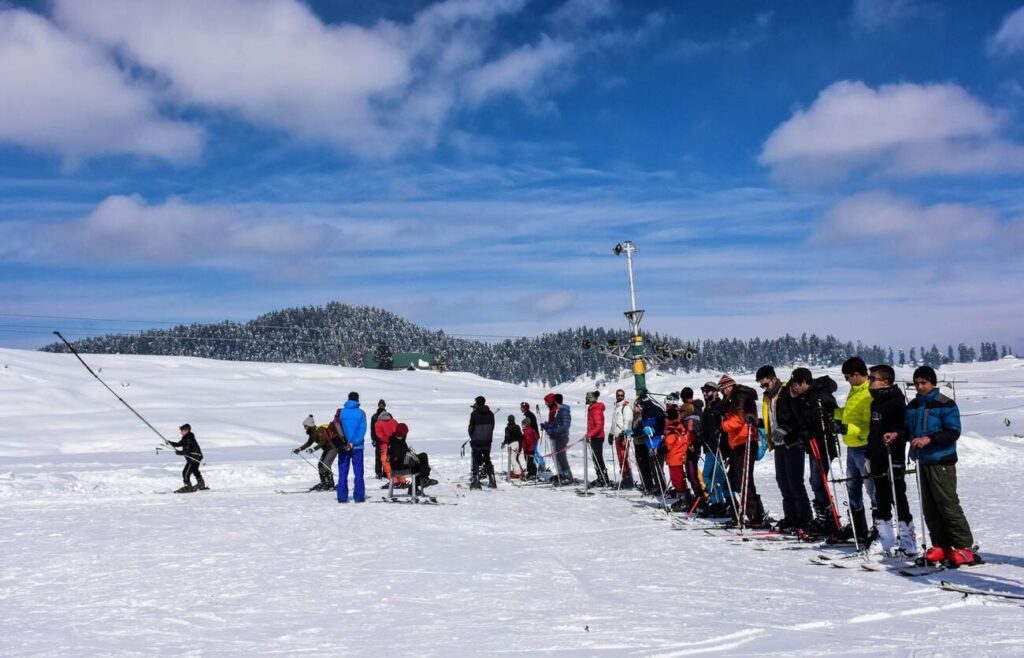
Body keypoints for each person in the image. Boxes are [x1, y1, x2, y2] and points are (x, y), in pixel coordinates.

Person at [906, 366, 979, 567]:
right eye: (917, 383)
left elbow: (953, 431)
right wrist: (897, 434)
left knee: (947, 505)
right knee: (929, 508)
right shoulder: (913, 405)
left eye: (924, 383)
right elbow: (907, 430)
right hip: (923, 460)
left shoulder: (945, 404)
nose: (920, 387)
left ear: (933, 383)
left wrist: (930, 439)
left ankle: (964, 547)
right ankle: (941, 545)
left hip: (941, 461)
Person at [865, 365, 916, 556]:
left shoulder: (896, 402)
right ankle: (886, 538)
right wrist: (869, 454)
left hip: (892, 455)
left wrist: (896, 435)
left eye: (872, 379)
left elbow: (905, 430)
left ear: (885, 381)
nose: (869, 382)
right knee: (881, 496)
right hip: (877, 455)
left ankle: (908, 540)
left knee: (898, 495)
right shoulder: (875, 402)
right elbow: (873, 431)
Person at [829, 357, 876, 545]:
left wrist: (847, 428)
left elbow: (867, 426)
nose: (847, 380)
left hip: (864, 447)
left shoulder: (868, 393)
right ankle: (858, 527)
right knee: (852, 487)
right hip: (851, 446)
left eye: (848, 377)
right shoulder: (854, 391)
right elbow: (850, 415)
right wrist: (833, 413)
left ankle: (880, 528)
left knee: (872, 488)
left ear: (857, 374)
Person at [720, 374, 766, 527]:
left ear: (728, 387)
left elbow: (738, 420)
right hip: (740, 441)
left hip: (744, 440)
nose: (722, 394)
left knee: (743, 479)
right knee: (742, 479)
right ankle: (753, 513)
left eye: (722, 390)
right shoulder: (737, 397)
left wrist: (722, 425)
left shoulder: (739, 396)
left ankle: (753, 515)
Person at [772, 369, 812, 533]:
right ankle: (791, 515)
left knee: (794, 481)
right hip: (779, 442)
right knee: (782, 481)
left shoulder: (794, 396)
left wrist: (786, 430)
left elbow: (799, 419)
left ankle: (804, 516)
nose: (793, 388)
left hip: (794, 443)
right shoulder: (776, 396)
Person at [699, 382, 729, 516]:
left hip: (718, 448)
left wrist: (718, 435)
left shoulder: (719, 405)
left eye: (708, 391)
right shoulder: (708, 407)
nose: (705, 393)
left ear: (716, 392)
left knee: (715, 476)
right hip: (709, 447)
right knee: (707, 476)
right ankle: (716, 502)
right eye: (704, 391)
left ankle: (720, 503)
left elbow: (723, 424)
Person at [387, 422, 438, 494]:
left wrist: (411, 454)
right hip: (399, 468)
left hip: (404, 464)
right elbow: (398, 459)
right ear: (404, 433)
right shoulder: (395, 443)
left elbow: (404, 453)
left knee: (422, 464)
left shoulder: (399, 440)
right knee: (423, 457)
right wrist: (411, 456)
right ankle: (423, 479)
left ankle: (416, 485)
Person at [336, 392, 367, 503]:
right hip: (357, 447)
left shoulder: (341, 413)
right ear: (358, 399)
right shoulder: (361, 413)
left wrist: (346, 443)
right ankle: (359, 496)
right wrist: (353, 442)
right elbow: (362, 430)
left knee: (343, 471)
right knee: (358, 472)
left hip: (343, 446)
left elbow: (337, 429)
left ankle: (342, 496)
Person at [294, 414, 337, 491]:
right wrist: (299, 449)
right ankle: (324, 482)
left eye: (305, 426)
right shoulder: (312, 434)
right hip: (327, 449)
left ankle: (330, 484)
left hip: (333, 448)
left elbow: (322, 442)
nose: (304, 428)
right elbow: (308, 443)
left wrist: (313, 449)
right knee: (320, 465)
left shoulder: (320, 430)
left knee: (326, 465)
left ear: (310, 426)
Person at [541, 393, 573, 484]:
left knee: (561, 457)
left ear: (554, 401)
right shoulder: (559, 410)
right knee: (559, 457)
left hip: (562, 436)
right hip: (559, 436)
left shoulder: (563, 411)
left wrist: (553, 431)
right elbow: (556, 423)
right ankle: (562, 474)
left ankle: (567, 475)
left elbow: (565, 425)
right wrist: (547, 426)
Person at [468, 396, 496, 490]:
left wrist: (473, 436)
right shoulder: (491, 413)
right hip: (487, 441)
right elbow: (492, 427)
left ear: (477, 403)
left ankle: (476, 481)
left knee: (476, 460)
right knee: (487, 459)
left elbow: (471, 428)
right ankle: (492, 480)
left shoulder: (474, 414)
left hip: (476, 441)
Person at [168, 423, 206, 493]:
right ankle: (201, 483)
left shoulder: (188, 438)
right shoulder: (187, 437)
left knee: (185, 472)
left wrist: (178, 453)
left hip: (193, 459)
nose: (181, 432)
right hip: (197, 457)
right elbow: (179, 444)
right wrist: (170, 443)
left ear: (186, 430)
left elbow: (186, 451)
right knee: (195, 470)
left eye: (182, 431)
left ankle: (188, 486)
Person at [608, 389, 634, 488]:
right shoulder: (616, 407)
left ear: (624, 396)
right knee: (620, 458)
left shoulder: (625, 407)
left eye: (621, 395)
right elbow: (614, 422)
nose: (620, 397)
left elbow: (628, 421)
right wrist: (611, 434)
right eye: (618, 395)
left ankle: (628, 479)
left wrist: (624, 432)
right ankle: (625, 477)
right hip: (617, 436)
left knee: (624, 458)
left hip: (623, 437)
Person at [374, 409, 406, 489]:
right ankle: (402, 481)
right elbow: (398, 432)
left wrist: (388, 440)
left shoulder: (378, 423)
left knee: (386, 463)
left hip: (385, 447)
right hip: (396, 446)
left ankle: (394, 481)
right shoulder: (394, 421)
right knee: (397, 463)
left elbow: (380, 436)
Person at [585, 391, 610, 487]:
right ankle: (601, 477)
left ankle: (604, 479)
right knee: (596, 459)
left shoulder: (596, 410)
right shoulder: (592, 409)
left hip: (597, 437)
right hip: (594, 436)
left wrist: (589, 434)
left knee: (598, 459)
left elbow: (599, 426)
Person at [521, 401, 545, 473]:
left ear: (525, 408)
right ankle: (533, 466)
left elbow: (530, 427)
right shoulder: (528, 414)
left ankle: (541, 465)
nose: (521, 409)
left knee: (534, 451)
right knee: (533, 451)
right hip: (532, 435)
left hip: (533, 436)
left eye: (522, 407)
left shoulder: (529, 415)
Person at [502, 414, 525, 479]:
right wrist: (520, 447)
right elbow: (521, 436)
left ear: (508, 420)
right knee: (515, 458)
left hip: (512, 445)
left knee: (512, 459)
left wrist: (504, 443)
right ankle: (518, 471)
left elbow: (507, 438)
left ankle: (517, 473)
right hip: (518, 444)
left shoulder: (507, 428)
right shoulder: (517, 427)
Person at [370, 399, 388, 479]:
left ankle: (383, 472)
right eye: (380, 404)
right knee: (381, 457)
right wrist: (373, 438)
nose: (381, 406)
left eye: (382, 405)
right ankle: (380, 472)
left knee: (383, 457)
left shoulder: (376, 416)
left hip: (383, 440)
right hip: (381, 440)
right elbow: (372, 429)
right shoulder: (387, 415)